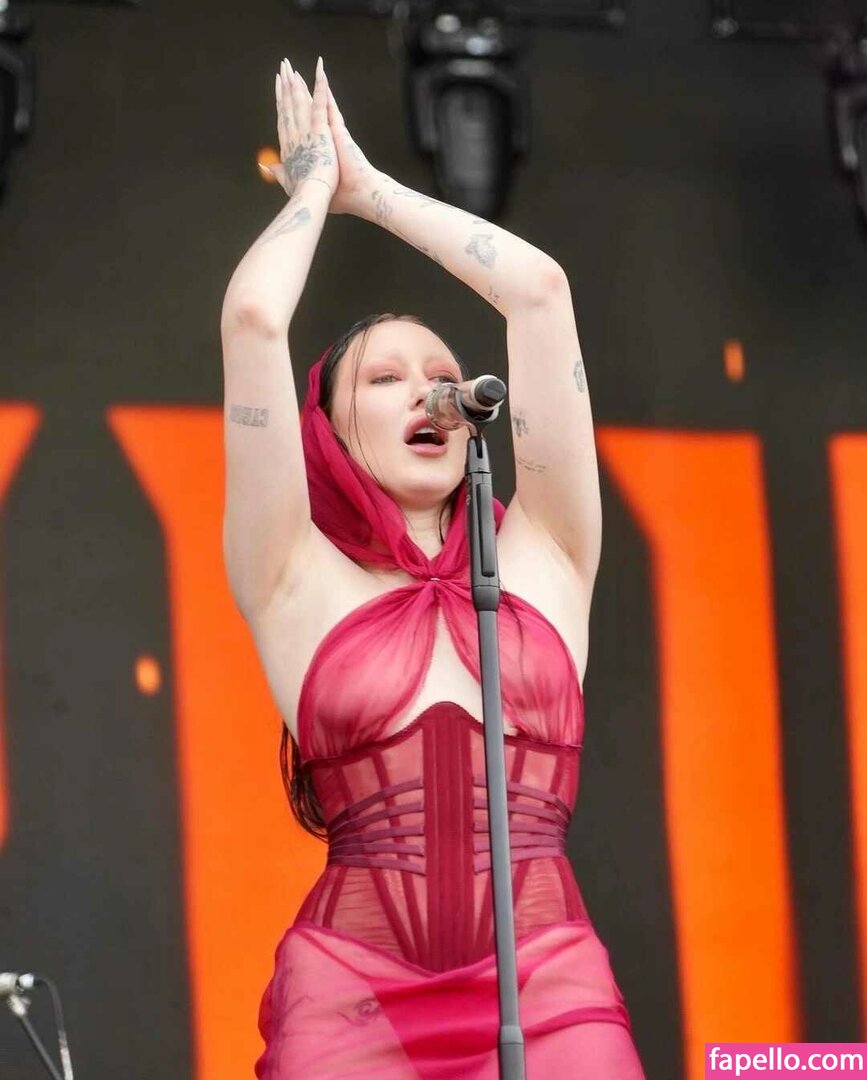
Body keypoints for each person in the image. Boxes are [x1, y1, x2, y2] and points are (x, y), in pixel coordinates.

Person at [221, 55, 646, 1079]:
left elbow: (538, 293)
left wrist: (374, 192)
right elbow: (254, 321)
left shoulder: (545, 551)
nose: (427, 393)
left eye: (445, 376)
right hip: (352, 996)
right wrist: (314, 192)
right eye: (386, 379)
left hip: (549, 984)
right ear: (327, 429)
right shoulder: (293, 575)